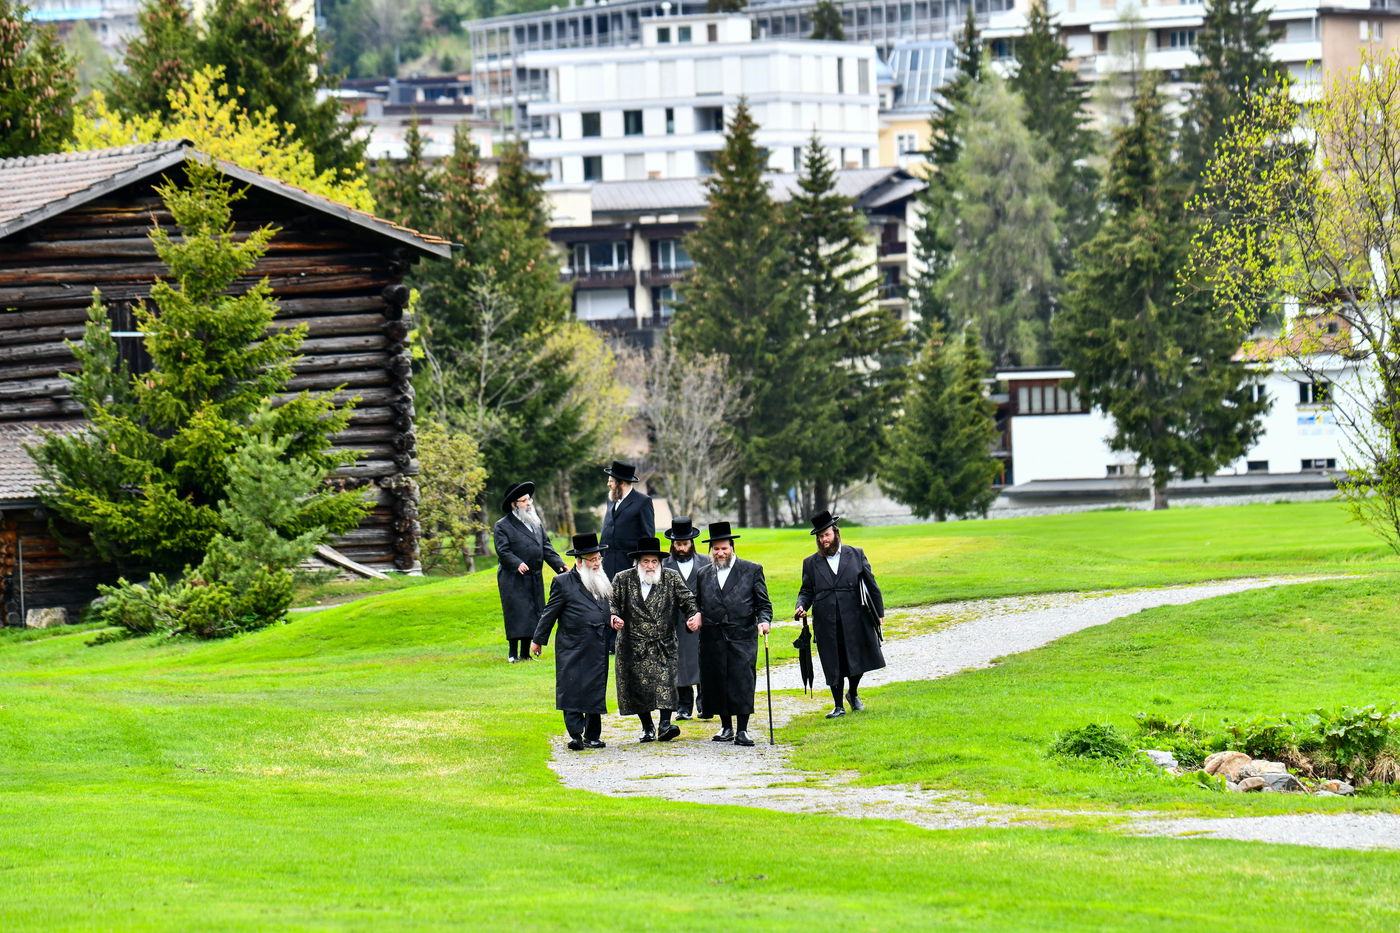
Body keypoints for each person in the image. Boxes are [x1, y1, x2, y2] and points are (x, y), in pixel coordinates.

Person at [794, 509, 886, 719]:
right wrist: (801, 605)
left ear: (835, 533)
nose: (823, 540)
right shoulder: (810, 562)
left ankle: (852, 693)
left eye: (826, 535)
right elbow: (806, 590)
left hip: (856, 615)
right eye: (820, 537)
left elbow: (872, 584)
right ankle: (838, 705)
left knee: (857, 657)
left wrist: (879, 612)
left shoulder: (856, 554)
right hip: (826, 618)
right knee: (832, 660)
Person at [610, 536, 701, 742]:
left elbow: (687, 599)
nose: (650, 566)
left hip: (664, 642)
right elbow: (612, 603)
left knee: (666, 682)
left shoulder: (671, 577)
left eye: (654, 561)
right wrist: (613, 617)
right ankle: (647, 727)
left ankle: (665, 725)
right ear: (638, 562)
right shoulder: (622, 579)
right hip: (633, 644)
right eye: (645, 561)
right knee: (639, 687)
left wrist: (693, 615)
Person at [692, 522, 772, 748]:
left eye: (724, 548)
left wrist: (764, 621)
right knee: (716, 680)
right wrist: (697, 615)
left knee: (742, 681)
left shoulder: (751, 569)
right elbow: (697, 602)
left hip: (742, 635)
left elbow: (763, 604)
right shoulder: (703, 573)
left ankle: (743, 729)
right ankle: (726, 726)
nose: (720, 553)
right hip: (712, 636)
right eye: (716, 549)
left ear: (732, 547)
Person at [531, 534, 613, 751]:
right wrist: (538, 640)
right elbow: (549, 613)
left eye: (598, 559)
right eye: (592, 560)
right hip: (572, 646)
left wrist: (613, 619)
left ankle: (593, 735)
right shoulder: (563, 582)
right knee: (572, 687)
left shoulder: (603, 580)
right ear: (579, 562)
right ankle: (575, 734)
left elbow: (606, 610)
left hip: (597, 645)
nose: (596, 563)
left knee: (595, 689)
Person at [493, 482, 567, 662]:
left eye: (529, 499)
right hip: (513, 577)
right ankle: (512, 653)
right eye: (524, 500)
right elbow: (503, 551)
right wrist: (516, 563)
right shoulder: (502, 525)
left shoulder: (535, 523)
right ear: (514, 504)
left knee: (533, 613)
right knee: (517, 613)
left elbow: (546, 548)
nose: (529, 503)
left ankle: (525, 654)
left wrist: (559, 565)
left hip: (534, 576)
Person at [662, 516, 710, 721]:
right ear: (672, 544)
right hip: (675, 621)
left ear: (692, 543)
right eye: (678, 544)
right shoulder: (664, 564)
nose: (681, 548)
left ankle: (704, 704)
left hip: (701, 618)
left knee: (702, 661)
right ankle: (683, 706)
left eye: (685, 544)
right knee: (679, 663)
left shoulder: (706, 562)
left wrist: (701, 614)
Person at [599, 460, 655, 582]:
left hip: (629, 564)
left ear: (621, 483)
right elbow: (607, 529)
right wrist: (600, 555)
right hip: (607, 563)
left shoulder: (643, 501)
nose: (608, 484)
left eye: (611, 481)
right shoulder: (611, 499)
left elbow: (648, 536)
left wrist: (641, 560)